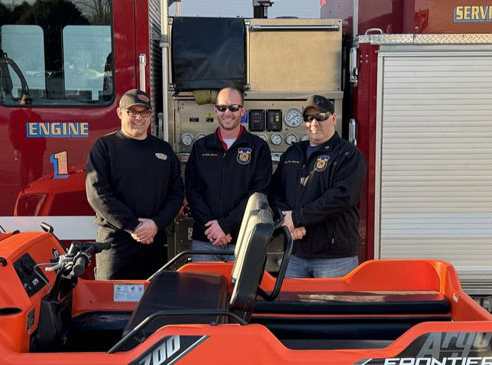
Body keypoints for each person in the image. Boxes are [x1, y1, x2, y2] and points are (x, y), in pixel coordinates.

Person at [86, 89, 184, 280]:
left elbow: (176, 192)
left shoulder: (163, 149)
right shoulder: (105, 147)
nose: (139, 118)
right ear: (120, 113)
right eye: (133, 112)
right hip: (116, 242)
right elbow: (97, 193)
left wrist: (156, 224)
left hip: (154, 241)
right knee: (110, 302)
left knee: (152, 302)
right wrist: (133, 226)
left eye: (144, 112)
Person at [270, 94, 367, 278]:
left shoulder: (348, 155)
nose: (314, 123)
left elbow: (341, 197)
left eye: (320, 116)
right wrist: (288, 221)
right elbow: (275, 192)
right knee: (293, 305)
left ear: (333, 118)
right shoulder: (293, 153)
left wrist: (297, 218)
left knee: (332, 307)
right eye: (309, 118)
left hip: (334, 258)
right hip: (294, 253)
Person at [184, 87, 272, 261]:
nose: (227, 113)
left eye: (233, 108)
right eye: (223, 108)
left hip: (243, 239)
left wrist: (225, 226)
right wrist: (212, 229)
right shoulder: (201, 147)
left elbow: (258, 194)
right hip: (205, 240)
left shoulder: (258, 148)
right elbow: (193, 191)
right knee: (202, 288)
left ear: (242, 111)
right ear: (215, 110)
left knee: (242, 289)